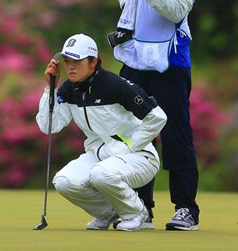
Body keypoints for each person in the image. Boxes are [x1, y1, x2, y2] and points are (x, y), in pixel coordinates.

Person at [108, 0, 202, 231]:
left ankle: (186, 208)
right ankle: (140, 208)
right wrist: (128, 1)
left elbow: (177, 10)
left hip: (169, 59)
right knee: (133, 134)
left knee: (174, 132)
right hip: (135, 57)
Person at [36, 33, 167, 231]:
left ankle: (137, 212)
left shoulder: (114, 84)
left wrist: (132, 147)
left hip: (140, 157)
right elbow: (49, 126)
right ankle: (108, 214)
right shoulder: (68, 90)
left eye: (77, 61)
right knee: (64, 181)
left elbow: (158, 117)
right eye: (67, 60)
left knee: (100, 174)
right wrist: (50, 89)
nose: (70, 66)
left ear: (93, 61)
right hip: (99, 156)